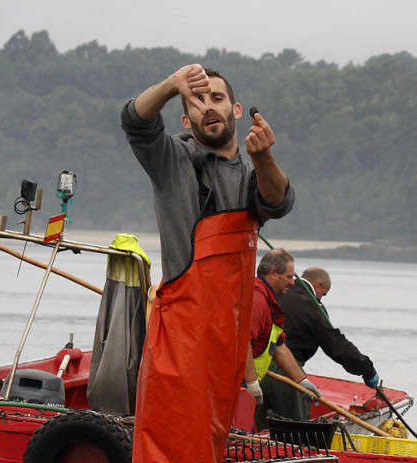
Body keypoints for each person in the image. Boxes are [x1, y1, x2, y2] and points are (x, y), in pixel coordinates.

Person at [121, 64, 295, 462]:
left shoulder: (252, 175)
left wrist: (265, 156)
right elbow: (135, 120)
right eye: (197, 101)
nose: (208, 106)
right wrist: (170, 85)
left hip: (227, 350)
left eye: (217, 98)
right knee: (168, 445)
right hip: (181, 343)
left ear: (235, 110)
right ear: (186, 118)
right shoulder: (171, 162)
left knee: (211, 448)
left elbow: (279, 203)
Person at [259, 266, 379, 423]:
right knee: (297, 434)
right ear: (318, 285)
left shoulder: (276, 293)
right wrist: (366, 369)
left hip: (258, 371)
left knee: (261, 437)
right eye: (323, 294)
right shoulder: (312, 306)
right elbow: (335, 344)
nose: (321, 298)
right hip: (287, 372)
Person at [245, 250, 321, 431]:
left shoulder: (270, 302)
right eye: (288, 276)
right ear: (273, 273)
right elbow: (243, 342)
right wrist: (252, 383)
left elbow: (279, 347)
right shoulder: (257, 300)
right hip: (237, 383)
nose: (293, 282)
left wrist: (302, 382)